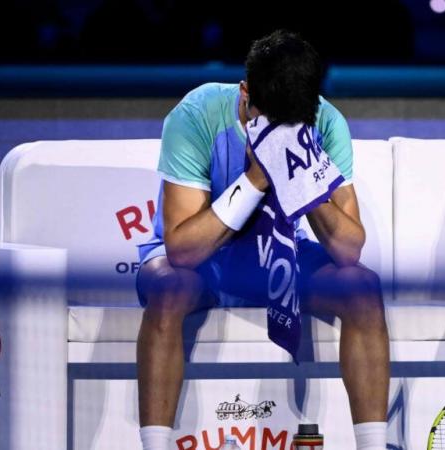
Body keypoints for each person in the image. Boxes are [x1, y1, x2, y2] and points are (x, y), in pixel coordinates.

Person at [135, 29, 390, 450]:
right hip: (204, 265)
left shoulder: (326, 122)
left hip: (281, 259)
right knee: (168, 285)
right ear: (244, 93)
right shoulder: (197, 114)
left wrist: (301, 177)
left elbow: (348, 250)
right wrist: (256, 177)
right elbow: (181, 250)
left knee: (362, 286)